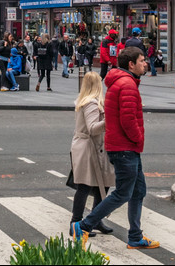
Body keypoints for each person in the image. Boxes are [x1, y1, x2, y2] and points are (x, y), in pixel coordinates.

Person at [71, 46, 159, 250]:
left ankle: (135, 236)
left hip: (122, 146)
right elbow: (128, 120)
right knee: (122, 193)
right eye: (142, 60)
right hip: (125, 147)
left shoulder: (120, 82)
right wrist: (138, 139)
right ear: (131, 64)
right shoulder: (127, 84)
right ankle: (84, 226)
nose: (145, 64)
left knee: (138, 192)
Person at [69, 71, 116, 235]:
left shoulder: (84, 100)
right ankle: (77, 223)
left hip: (85, 147)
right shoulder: (91, 103)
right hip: (88, 149)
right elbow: (93, 128)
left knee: (98, 184)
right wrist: (109, 119)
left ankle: (94, 220)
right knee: (85, 186)